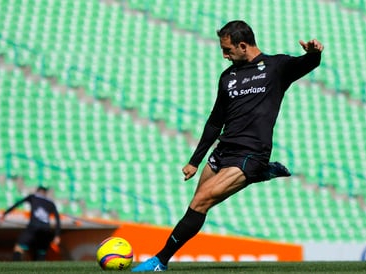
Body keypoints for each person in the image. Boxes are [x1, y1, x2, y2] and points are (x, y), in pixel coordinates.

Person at [132, 20, 323, 272]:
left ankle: (159, 261)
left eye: (227, 49)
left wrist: (314, 53)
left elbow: (307, 63)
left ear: (243, 45)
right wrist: (194, 160)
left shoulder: (276, 67)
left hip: (251, 153)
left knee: (200, 201)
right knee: (198, 205)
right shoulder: (228, 76)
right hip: (223, 151)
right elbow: (214, 121)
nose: (224, 55)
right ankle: (262, 173)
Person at [1, 186, 61, 261]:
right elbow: (57, 219)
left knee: (18, 248)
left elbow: (18, 203)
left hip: (33, 227)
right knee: (41, 251)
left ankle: (16, 268)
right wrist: (57, 235)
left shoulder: (33, 197)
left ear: (37, 191)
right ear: (45, 193)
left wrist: (5, 213)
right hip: (45, 230)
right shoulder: (51, 202)